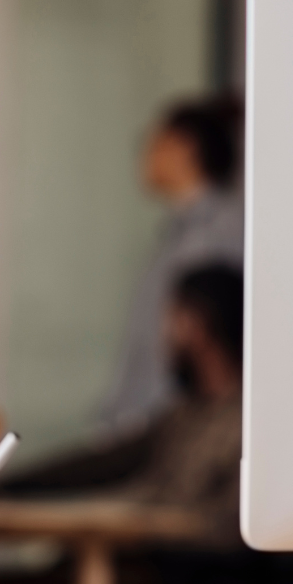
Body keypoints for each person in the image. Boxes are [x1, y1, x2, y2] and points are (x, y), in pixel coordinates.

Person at [3, 265, 244, 544]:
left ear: (196, 324)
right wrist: (11, 486)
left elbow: (219, 526)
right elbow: (104, 463)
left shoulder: (243, 427)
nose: (164, 334)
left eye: (173, 318)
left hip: (176, 575)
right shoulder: (184, 417)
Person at [98, 95, 244, 436]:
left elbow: (199, 345)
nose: (144, 157)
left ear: (184, 148)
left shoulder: (217, 235)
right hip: (152, 423)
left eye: (153, 143)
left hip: (173, 428)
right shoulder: (178, 234)